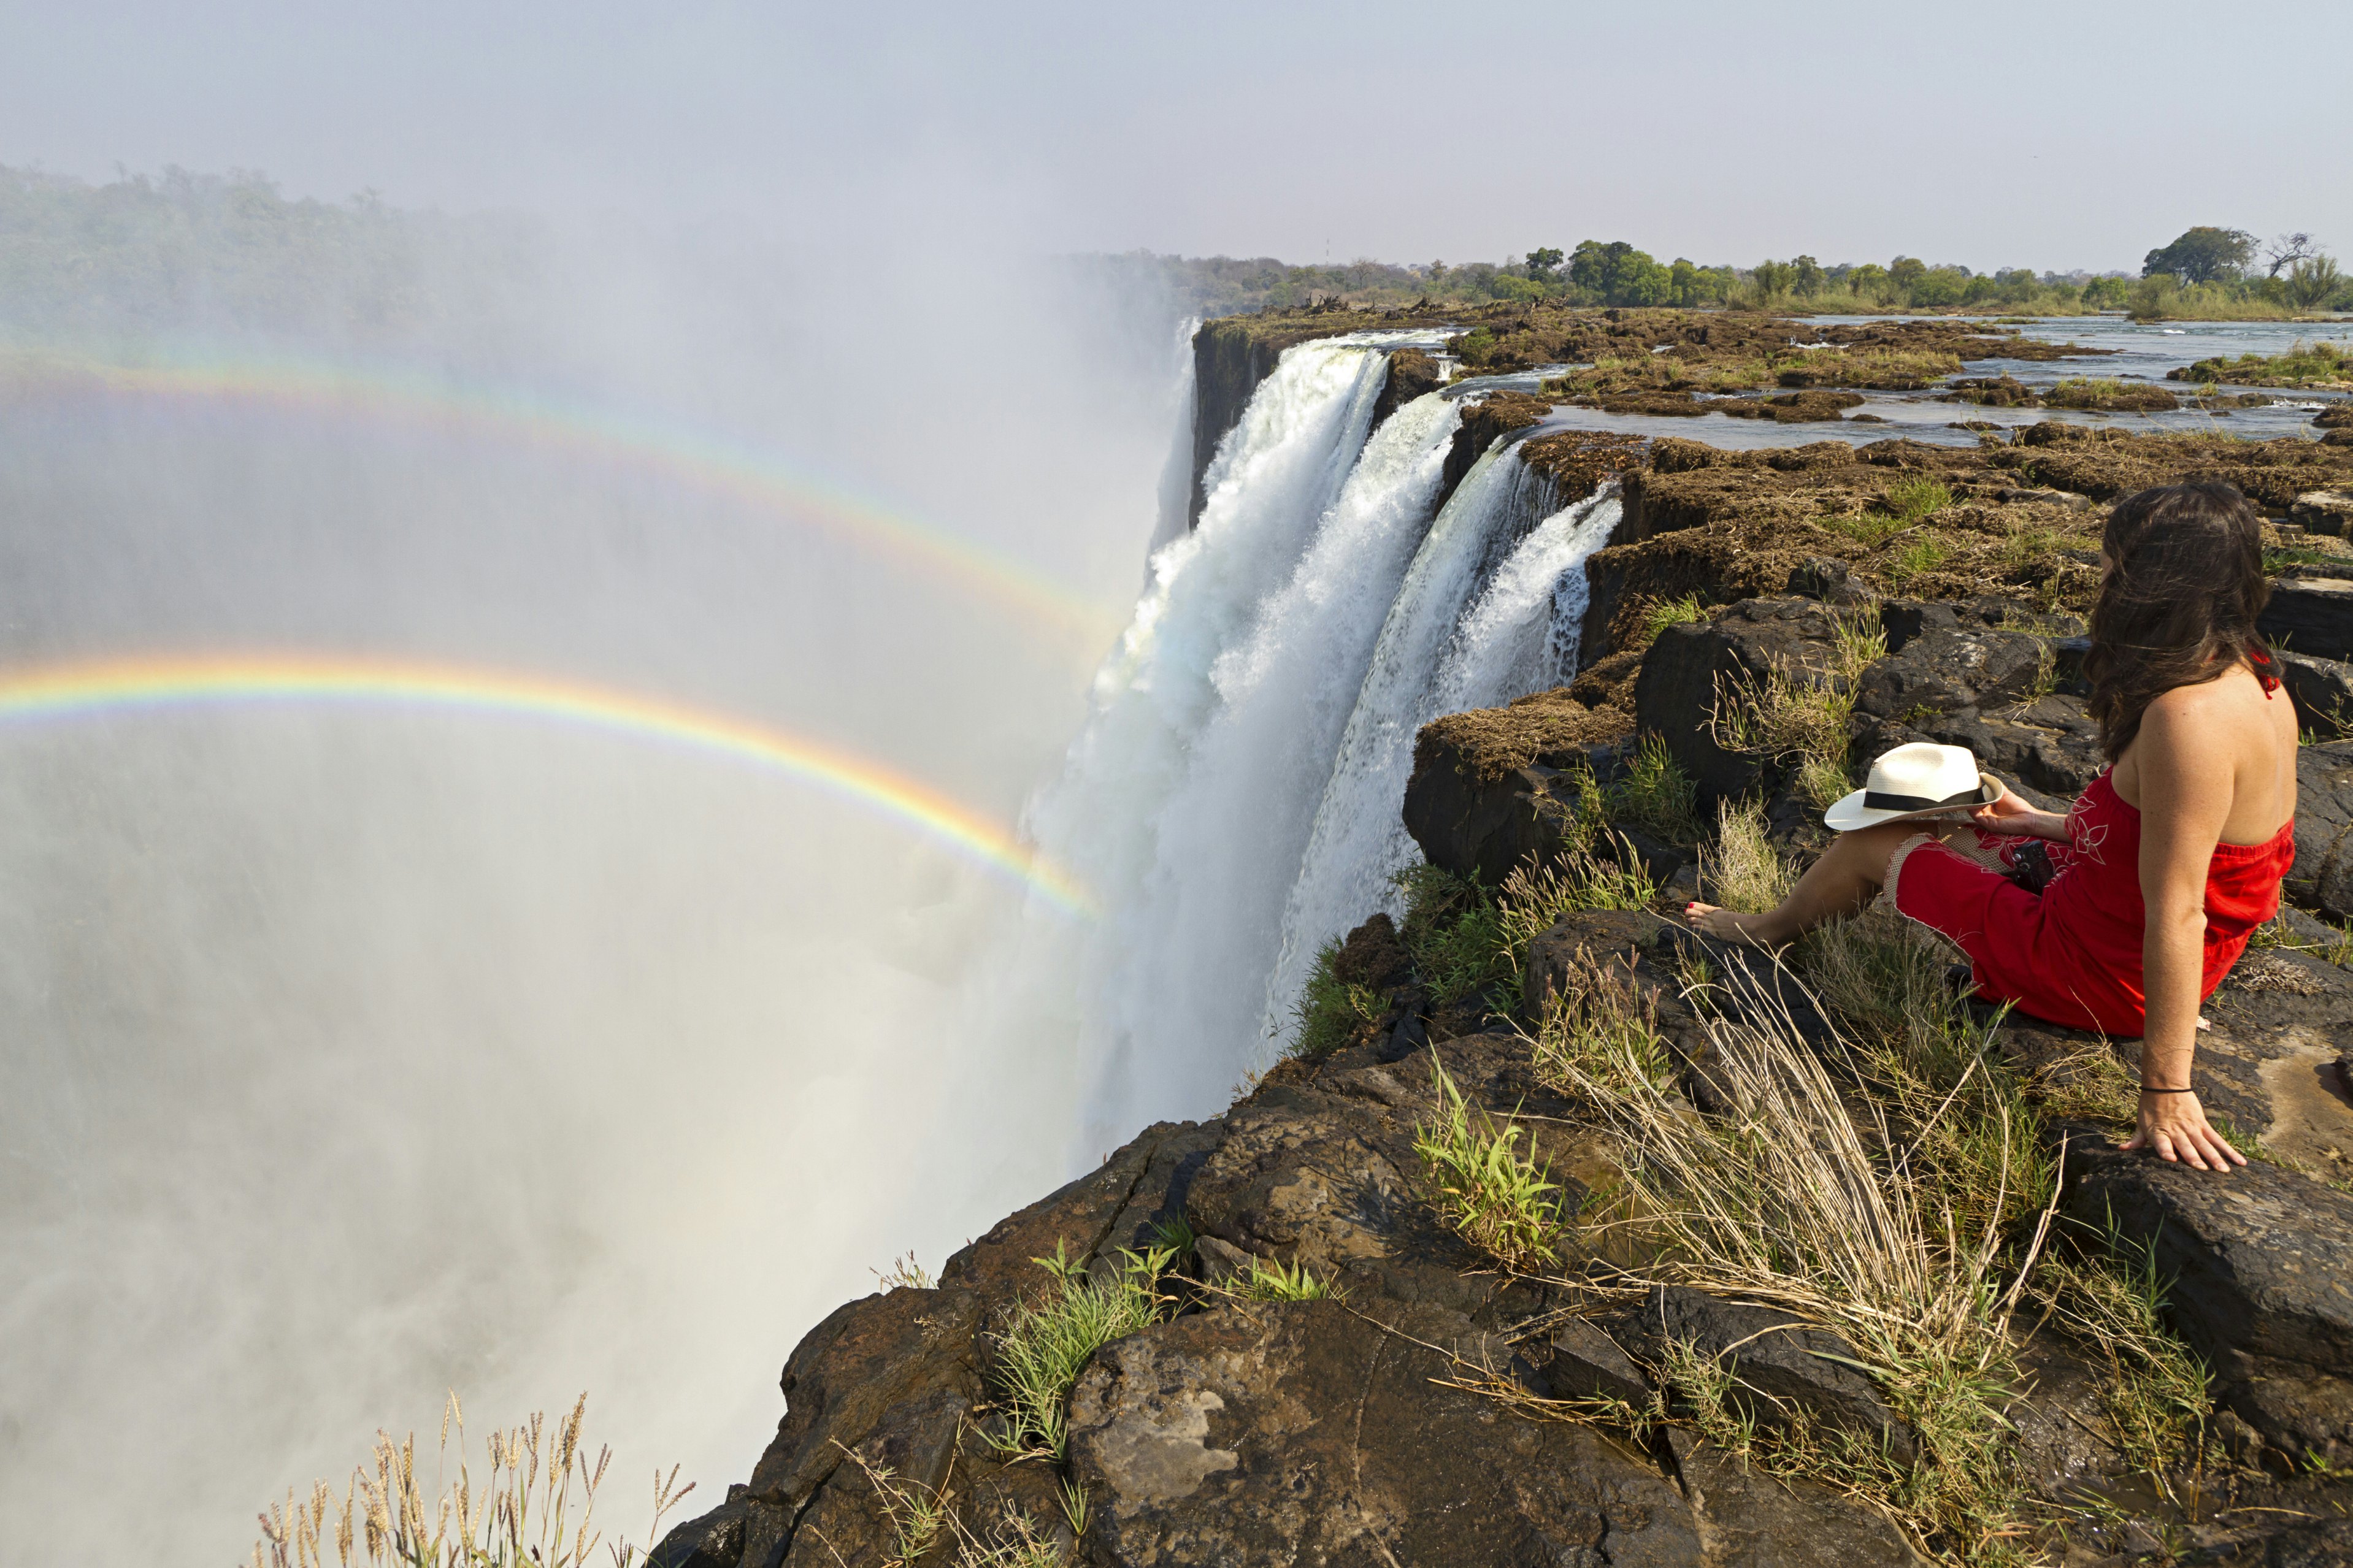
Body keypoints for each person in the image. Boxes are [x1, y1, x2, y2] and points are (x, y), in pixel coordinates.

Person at [1685, 482, 2298, 1174]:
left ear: (2151, 584)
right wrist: (2031, 821)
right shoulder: (2258, 682)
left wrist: (2165, 1086)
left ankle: (1762, 934)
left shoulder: (2186, 721)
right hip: (2127, 939)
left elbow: (2179, 908)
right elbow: (2190, 847)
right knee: (1955, 823)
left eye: (2110, 566)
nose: (2099, 580)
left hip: (2095, 973)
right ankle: (1832, 903)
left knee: (1870, 840)